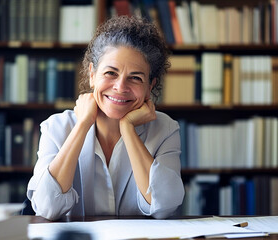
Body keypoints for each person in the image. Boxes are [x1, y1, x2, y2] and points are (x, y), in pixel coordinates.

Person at [26, 15, 184, 220]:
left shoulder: (165, 130)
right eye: (111, 73)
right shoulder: (56, 127)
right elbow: (47, 208)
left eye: (135, 78)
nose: (120, 87)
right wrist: (82, 125)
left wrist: (127, 129)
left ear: (150, 86)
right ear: (92, 75)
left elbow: (164, 206)